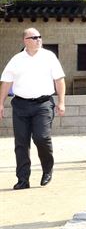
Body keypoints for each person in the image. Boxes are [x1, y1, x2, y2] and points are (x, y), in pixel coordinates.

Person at [0, 28, 65, 190]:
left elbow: (59, 80)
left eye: (39, 37)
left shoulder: (49, 57)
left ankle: (47, 169)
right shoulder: (16, 59)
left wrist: (61, 101)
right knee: (21, 143)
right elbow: (6, 82)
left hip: (43, 104)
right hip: (21, 105)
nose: (38, 40)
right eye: (34, 37)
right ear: (25, 41)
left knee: (41, 137)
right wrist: (0, 103)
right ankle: (23, 179)